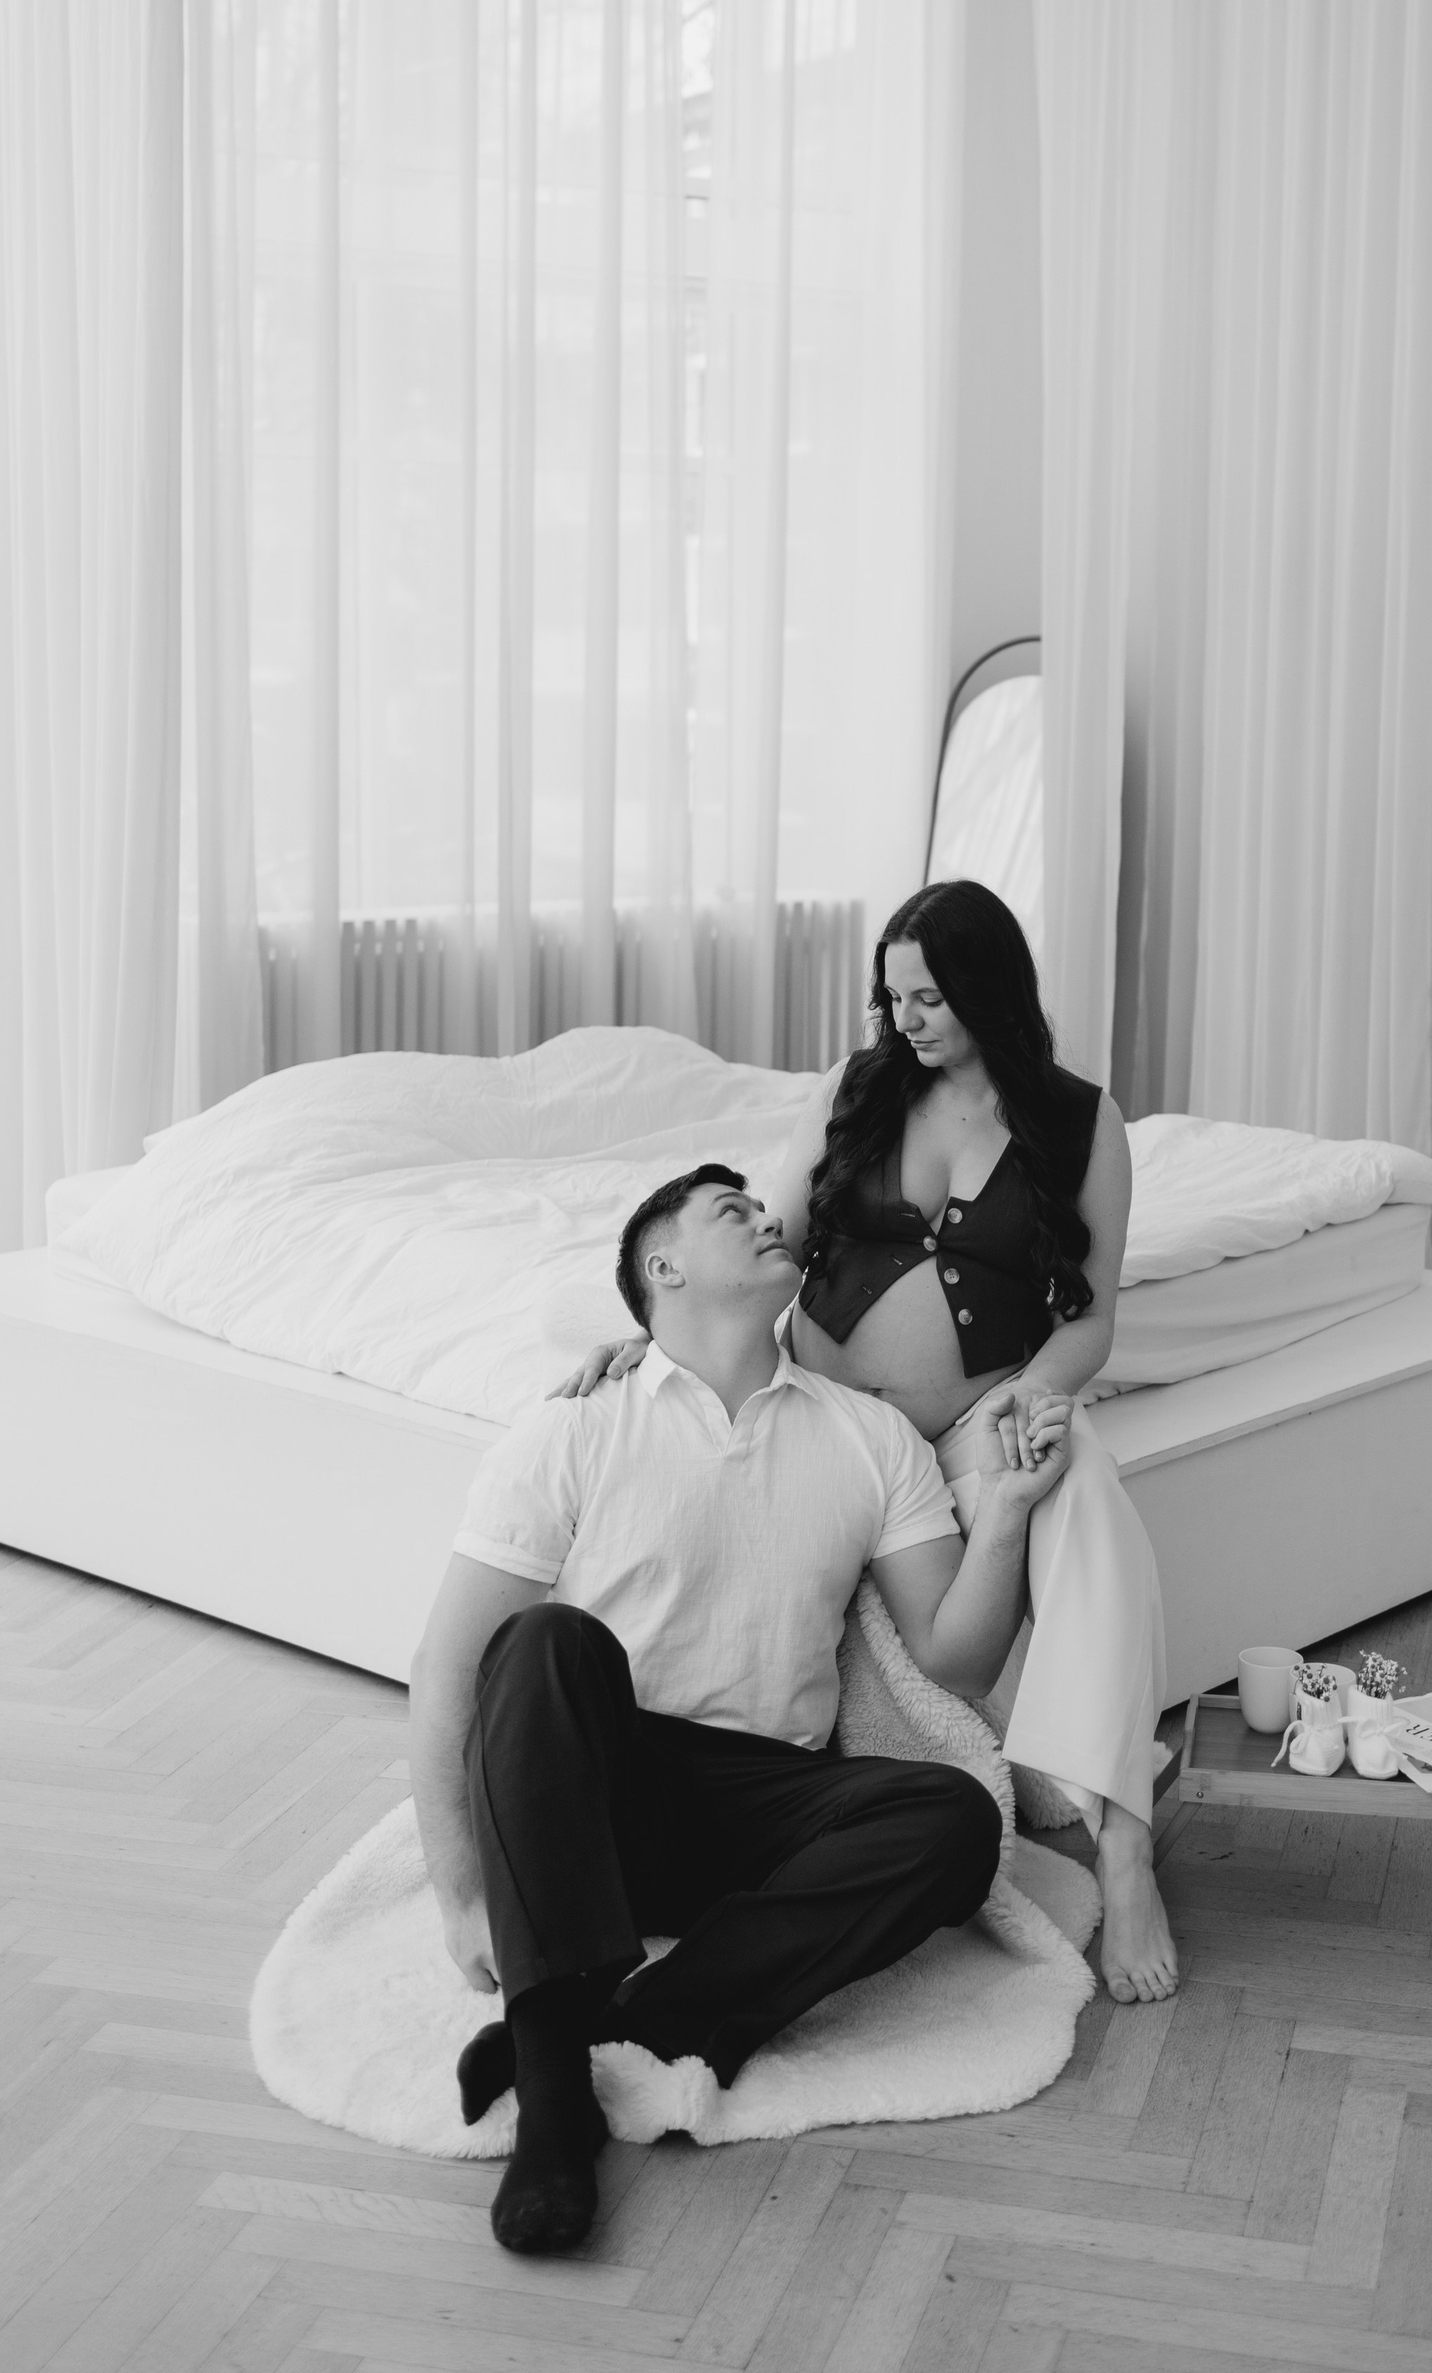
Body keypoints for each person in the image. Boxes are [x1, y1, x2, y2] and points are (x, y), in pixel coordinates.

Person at [410, 1159, 1064, 2256]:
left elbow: (958, 1660)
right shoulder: (574, 1427)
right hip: (593, 1797)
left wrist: (1003, 1516)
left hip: (763, 1804)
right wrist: (461, 1893)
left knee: (955, 1816)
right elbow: (446, 1670)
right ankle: (556, 2106)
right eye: (733, 1211)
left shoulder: (871, 1438)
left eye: (764, 1208)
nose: (769, 1218)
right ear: (663, 1266)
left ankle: (620, 2023)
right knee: (544, 1642)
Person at [564, 879, 1177, 2006]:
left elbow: (1090, 1321)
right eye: (893, 997)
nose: (908, 1019)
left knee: (1087, 1493)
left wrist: (1037, 1398)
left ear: (990, 986)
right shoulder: (858, 1090)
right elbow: (765, 1242)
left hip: (978, 1419)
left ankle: (1126, 1847)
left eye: (931, 996)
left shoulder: (1084, 1122)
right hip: (835, 1418)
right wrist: (653, 1332)